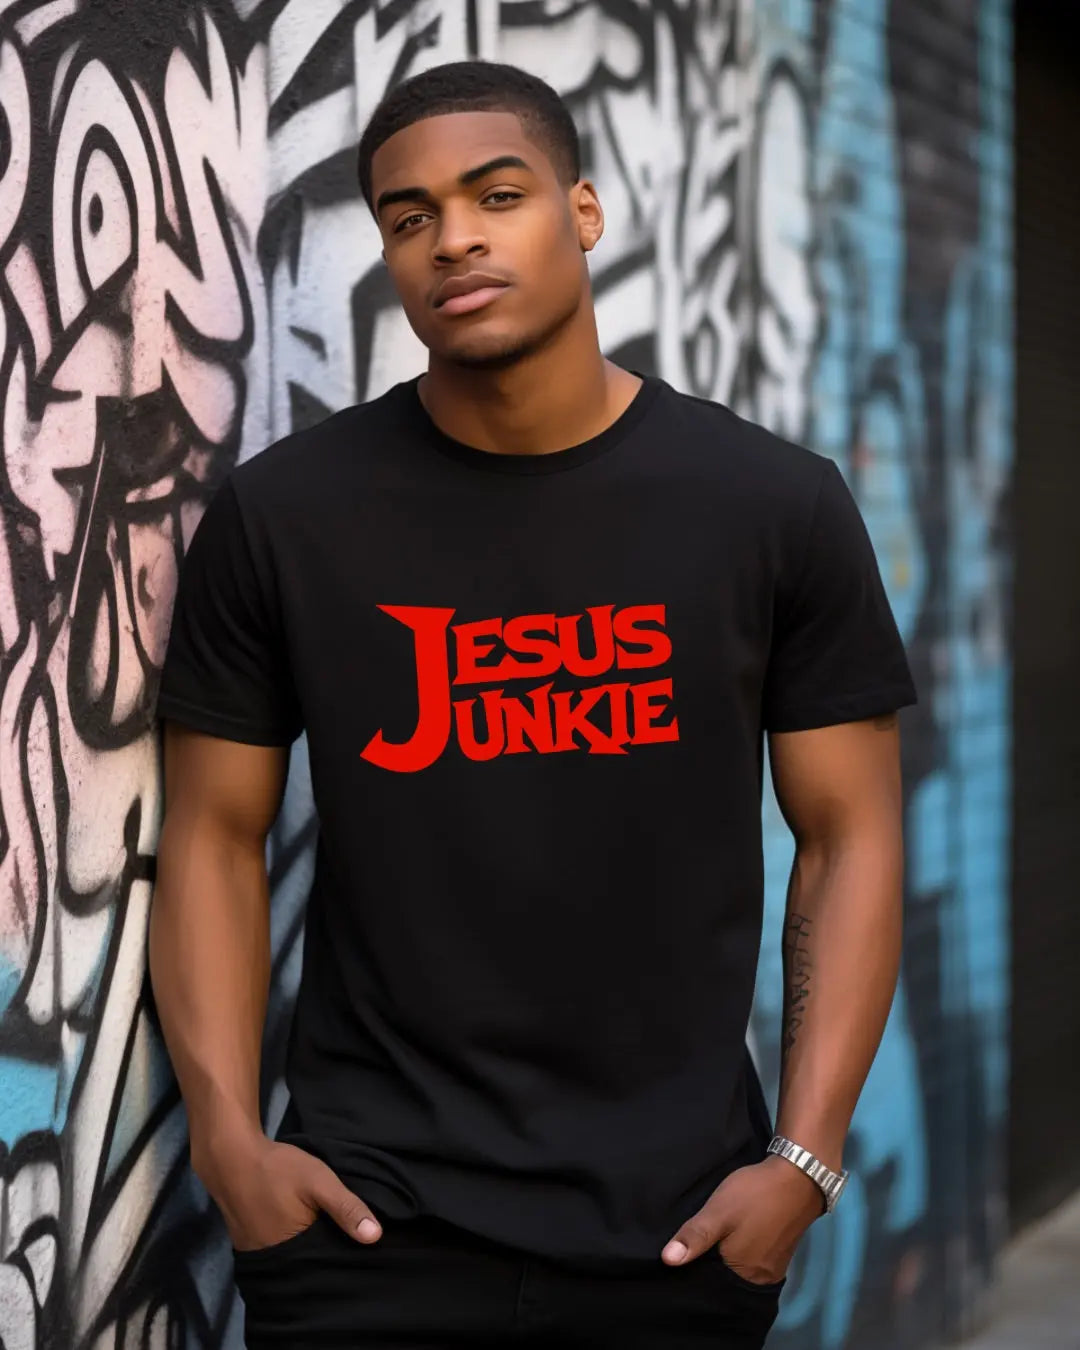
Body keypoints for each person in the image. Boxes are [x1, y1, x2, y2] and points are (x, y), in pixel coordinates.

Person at [149, 59, 917, 1350]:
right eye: (408, 216)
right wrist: (232, 1146)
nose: (452, 236)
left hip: (675, 1229)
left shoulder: (771, 505)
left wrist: (806, 1161)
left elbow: (851, 837)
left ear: (584, 210)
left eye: (495, 194)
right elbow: (212, 836)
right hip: (364, 1228)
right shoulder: (288, 518)